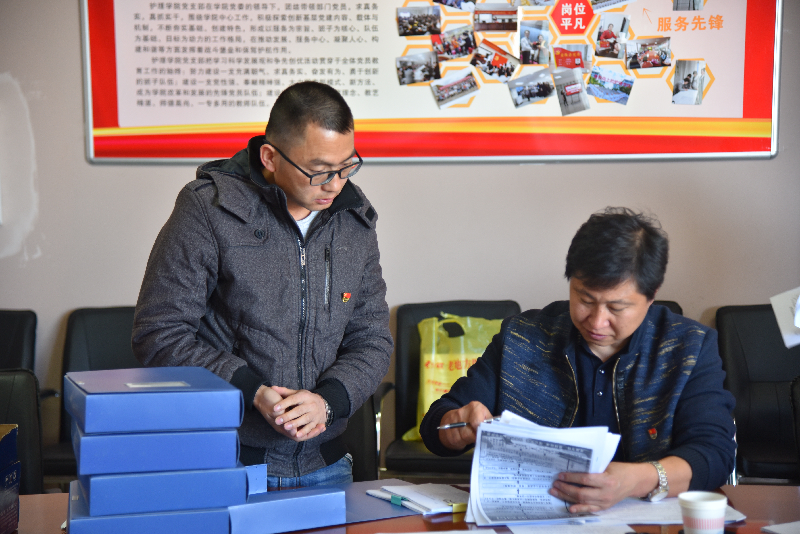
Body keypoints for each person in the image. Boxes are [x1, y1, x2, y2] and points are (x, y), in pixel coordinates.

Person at [132, 81, 393, 488]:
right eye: (319, 170)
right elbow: (159, 334)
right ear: (270, 157)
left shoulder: (353, 221)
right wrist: (252, 391)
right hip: (227, 462)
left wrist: (327, 402)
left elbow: (371, 339)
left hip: (326, 466)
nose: (335, 185)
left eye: (347, 167)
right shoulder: (209, 209)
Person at [420, 208, 735, 513]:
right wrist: (455, 426)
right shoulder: (522, 337)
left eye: (616, 308)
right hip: (531, 519)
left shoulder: (689, 348)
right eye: (585, 299)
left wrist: (635, 480)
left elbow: (714, 454)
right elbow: (437, 421)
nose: (596, 321)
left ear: (651, 295)